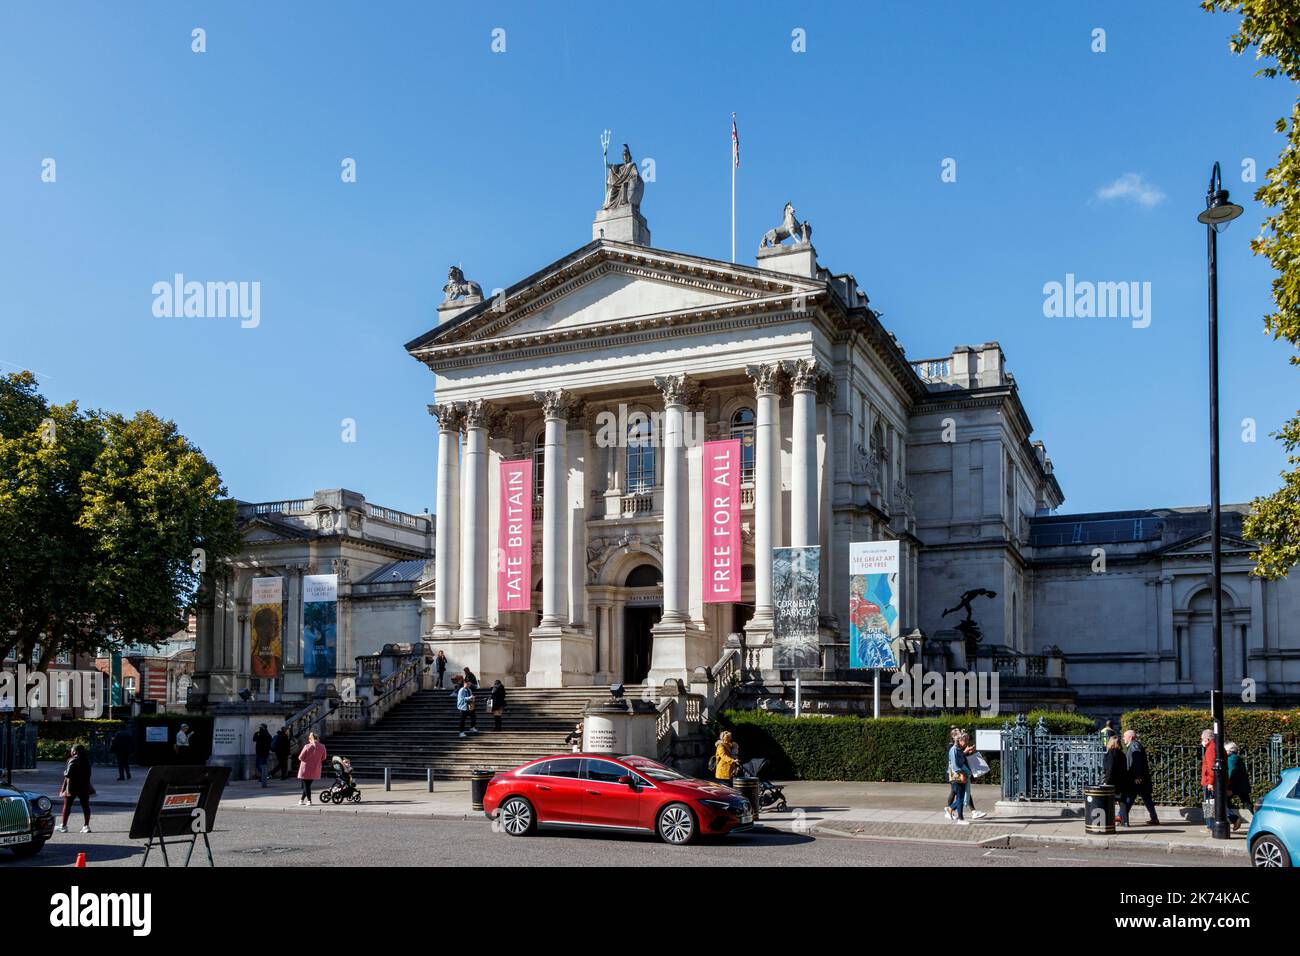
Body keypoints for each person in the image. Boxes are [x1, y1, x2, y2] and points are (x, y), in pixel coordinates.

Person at [1122, 729, 1160, 825]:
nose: (1123, 738)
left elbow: (1137, 762)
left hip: (1137, 779)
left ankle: (1121, 817)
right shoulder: (1134, 745)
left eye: (1124, 736)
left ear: (1130, 737)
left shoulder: (1134, 746)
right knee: (1146, 798)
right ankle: (1154, 818)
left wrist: (1137, 776)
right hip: (1140, 778)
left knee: (1130, 798)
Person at [56, 743, 94, 833]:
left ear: (75, 751)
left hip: (72, 787)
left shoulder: (72, 760)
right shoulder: (87, 761)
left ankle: (64, 826)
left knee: (67, 806)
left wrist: (64, 772)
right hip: (84, 786)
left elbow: (68, 774)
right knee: (85, 806)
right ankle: (86, 826)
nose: (71, 752)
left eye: (72, 750)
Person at [1103, 734, 1131, 826]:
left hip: (1113, 782)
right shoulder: (1122, 754)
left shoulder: (1111, 753)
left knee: (1107, 801)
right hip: (1122, 781)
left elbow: (1110, 769)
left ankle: (1107, 820)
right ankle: (1125, 821)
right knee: (1122, 802)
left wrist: (1106, 782)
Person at [1226, 741, 1253, 831]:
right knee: (1247, 803)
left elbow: (1231, 773)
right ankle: (1258, 818)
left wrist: (1229, 788)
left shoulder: (1231, 759)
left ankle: (1234, 819)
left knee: (1223, 802)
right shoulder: (1237, 757)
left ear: (1229, 750)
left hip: (1234, 786)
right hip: (1241, 786)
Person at [947, 732, 972, 824]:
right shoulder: (954, 750)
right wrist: (962, 774)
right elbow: (955, 765)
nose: (966, 743)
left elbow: (961, 760)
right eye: (965, 741)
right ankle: (960, 818)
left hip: (960, 775)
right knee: (960, 797)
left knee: (960, 796)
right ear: (959, 740)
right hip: (957, 776)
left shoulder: (958, 749)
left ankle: (951, 809)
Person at [296, 732, 326, 806]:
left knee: (306, 785)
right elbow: (324, 757)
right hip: (315, 768)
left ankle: (309, 800)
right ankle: (301, 800)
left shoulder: (307, 746)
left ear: (310, 739)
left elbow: (300, 757)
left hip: (305, 768)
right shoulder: (322, 747)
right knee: (307, 785)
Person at [1200, 728, 1218, 831]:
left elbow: (1211, 767)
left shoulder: (1210, 749)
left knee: (1208, 804)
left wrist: (1210, 782)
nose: (1201, 741)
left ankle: (1210, 826)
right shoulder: (1216, 747)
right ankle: (1233, 818)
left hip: (1208, 781)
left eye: (1202, 739)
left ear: (1207, 738)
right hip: (1210, 781)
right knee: (1215, 803)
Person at [253, 723, 273, 788]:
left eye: (261, 727)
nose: (260, 728)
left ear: (264, 728)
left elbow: (269, 742)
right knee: (259, 765)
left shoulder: (267, 734)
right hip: (260, 752)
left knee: (262, 765)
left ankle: (264, 776)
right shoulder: (259, 733)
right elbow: (254, 739)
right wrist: (257, 734)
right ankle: (264, 776)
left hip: (263, 752)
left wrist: (258, 734)